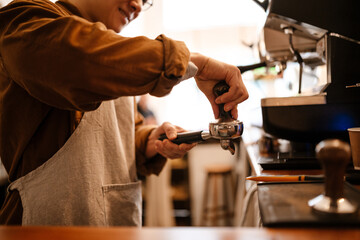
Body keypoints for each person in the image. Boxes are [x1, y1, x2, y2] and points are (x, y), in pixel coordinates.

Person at [0, 0, 248, 226]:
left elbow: (116, 141)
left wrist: (150, 141)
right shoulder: (24, 20)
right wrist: (196, 64)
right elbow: (82, 61)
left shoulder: (114, 52)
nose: (137, 5)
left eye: (145, 1)